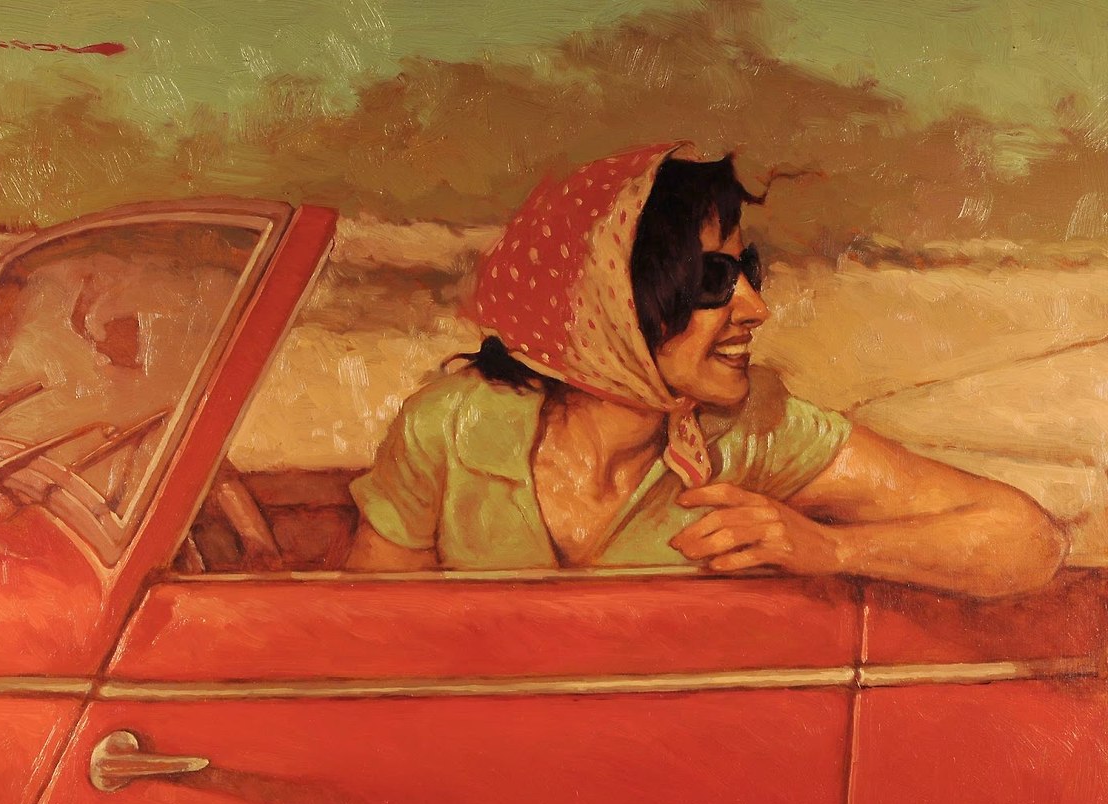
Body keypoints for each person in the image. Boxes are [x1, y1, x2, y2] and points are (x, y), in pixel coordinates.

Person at [346, 142, 1065, 597]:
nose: (756, 308)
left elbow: (1027, 540)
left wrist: (834, 547)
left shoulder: (756, 433)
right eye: (713, 279)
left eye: (747, 270)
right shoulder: (450, 427)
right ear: (612, 302)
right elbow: (372, 640)